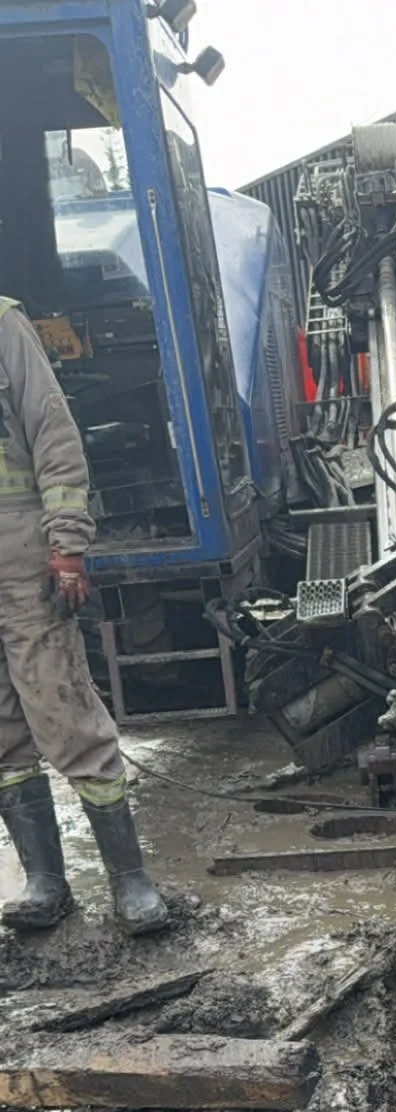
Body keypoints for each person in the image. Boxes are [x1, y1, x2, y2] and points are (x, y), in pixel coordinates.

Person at [0, 293, 167, 933]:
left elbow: (51, 429)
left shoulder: (5, 324)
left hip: (20, 561)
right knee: (3, 734)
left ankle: (131, 882)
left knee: (64, 712)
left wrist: (67, 541)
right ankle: (46, 881)